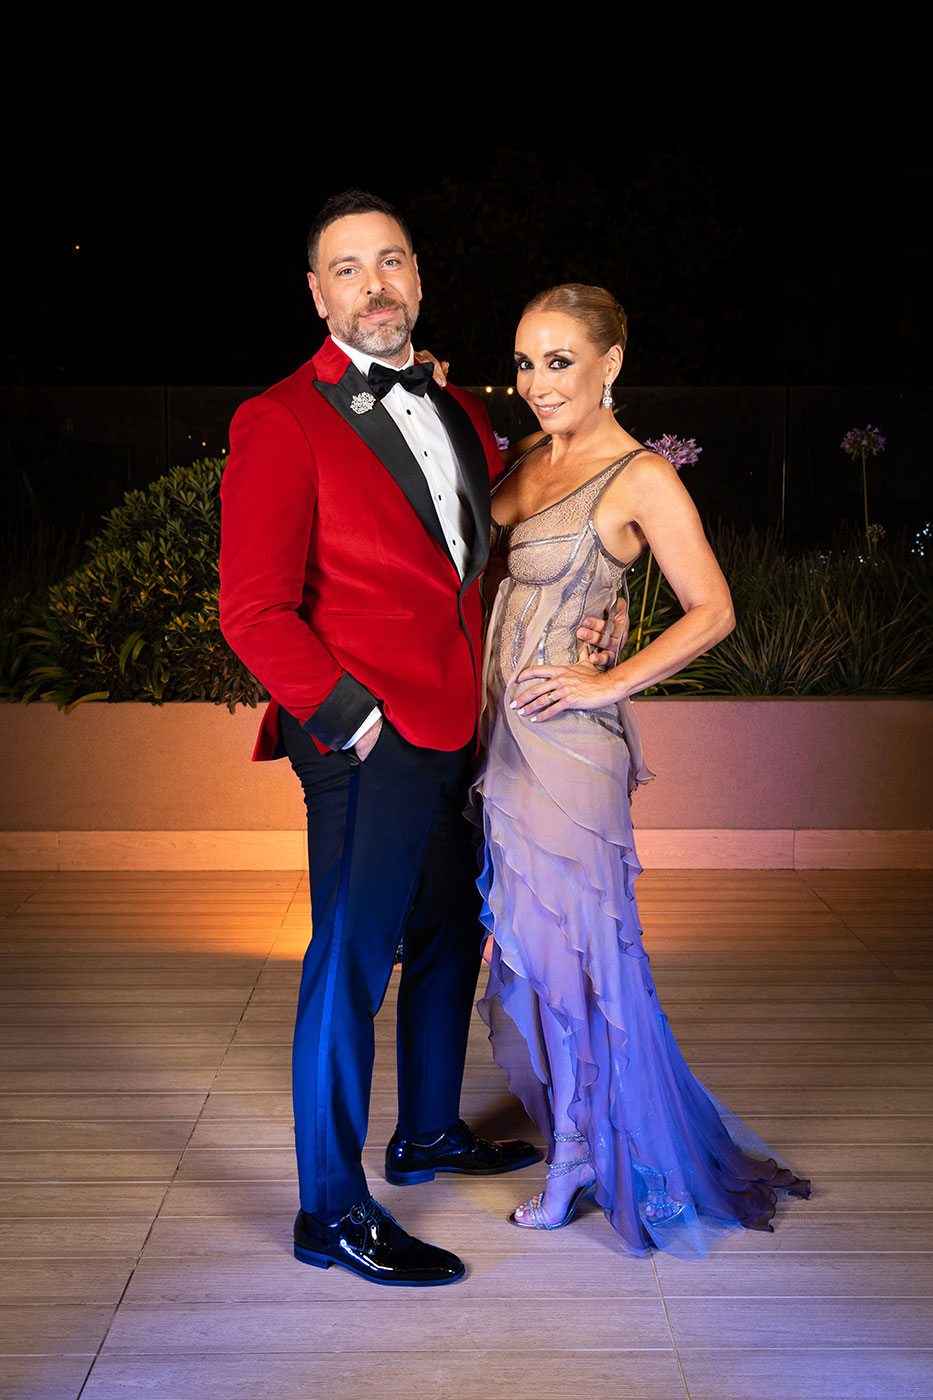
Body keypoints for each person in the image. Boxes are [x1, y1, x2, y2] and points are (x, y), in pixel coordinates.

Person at [218, 193, 617, 1287]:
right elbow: (250, 609)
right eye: (349, 268)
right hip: (363, 735)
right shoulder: (279, 419)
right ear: (318, 293)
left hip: (461, 719)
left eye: (391, 261)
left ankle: (428, 1129)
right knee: (349, 959)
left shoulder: (456, 410)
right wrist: (353, 723)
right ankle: (331, 1210)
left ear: (418, 278)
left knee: (453, 931)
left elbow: (480, 555)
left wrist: (594, 611)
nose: (375, 284)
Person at [472, 283, 810, 1257]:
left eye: (560, 360)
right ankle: (575, 1138)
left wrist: (603, 677)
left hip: (567, 752)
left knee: (574, 964)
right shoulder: (533, 455)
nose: (537, 382)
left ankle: (579, 1154)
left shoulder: (640, 477)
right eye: (527, 362)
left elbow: (714, 608)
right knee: (531, 962)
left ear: (612, 362)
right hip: (502, 742)